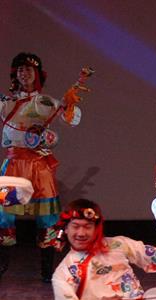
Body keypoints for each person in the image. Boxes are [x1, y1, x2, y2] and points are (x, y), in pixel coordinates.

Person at [0, 52, 85, 282]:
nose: (23, 73)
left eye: (28, 69)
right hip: (13, 164)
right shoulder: (5, 103)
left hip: (39, 165)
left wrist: (69, 106)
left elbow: (72, 120)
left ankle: (47, 269)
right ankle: (3, 262)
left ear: (37, 74)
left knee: (46, 217)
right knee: (4, 214)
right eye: (19, 69)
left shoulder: (47, 102)